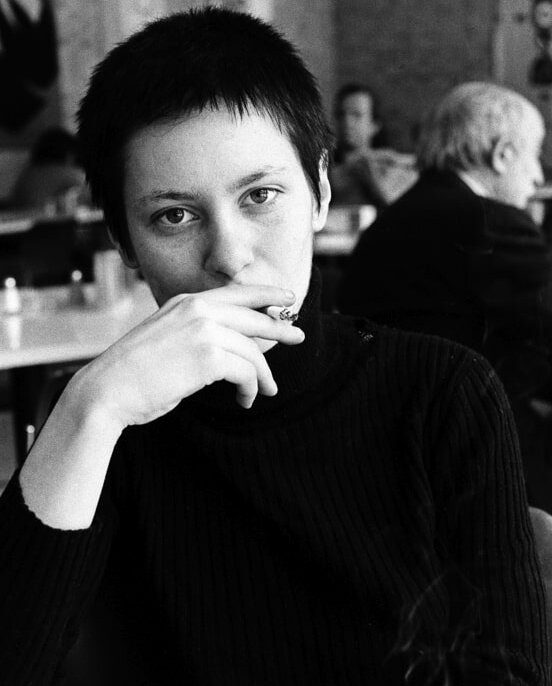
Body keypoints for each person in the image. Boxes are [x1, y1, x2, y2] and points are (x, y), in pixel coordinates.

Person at [0, 12, 549, 685]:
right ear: (124, 244)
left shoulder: (443, 391)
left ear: (319, 192)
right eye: (174, 216)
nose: (230, 256)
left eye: (260, 195)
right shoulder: (108, 426)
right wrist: (90, 406)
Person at [338, 81, 552, 513]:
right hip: (472, 453)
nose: (537, 177)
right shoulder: (488, 221)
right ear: (502, 155)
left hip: (381, 451)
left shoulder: (392, 221)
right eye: (534, 155)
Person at [329, 83, 416, 208]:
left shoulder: (393, 168)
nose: (347, 122)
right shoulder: (324, 170)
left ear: (374, 125)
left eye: (357, 115)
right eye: (341, 114)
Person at [10, 127, 87, 211]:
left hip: (20, 216)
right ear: (69, 155)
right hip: (41, 216)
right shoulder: (62, 172)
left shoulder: (29, 172)